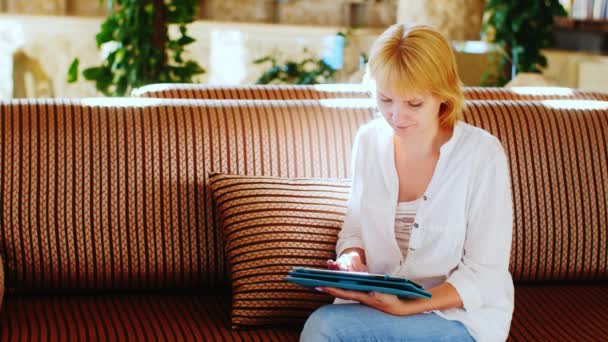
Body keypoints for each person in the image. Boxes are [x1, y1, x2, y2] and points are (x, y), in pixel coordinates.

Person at [300, 24, 514, 342]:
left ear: (443, 94)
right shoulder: (369, 141)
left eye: (414, 104)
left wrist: (404, 307)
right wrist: (352, 260)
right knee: (323, 325)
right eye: (386, 99)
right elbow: (355, 229)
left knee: (329, 329)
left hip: (456, 317)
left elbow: (486, 274)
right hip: (375, 308)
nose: (397, 116)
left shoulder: (481, 155)